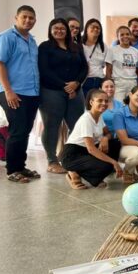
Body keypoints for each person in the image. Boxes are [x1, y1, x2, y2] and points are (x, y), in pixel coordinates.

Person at [0, 5, 42, 183]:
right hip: (14, 92)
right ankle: (12, 170)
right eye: (24, 17)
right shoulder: (6, 37)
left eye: (31, 18)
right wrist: (8, 91)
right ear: (16, 18)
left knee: (25, 131)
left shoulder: (32, 40)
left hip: (32, 92)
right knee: (17, 130)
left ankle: (21, 166)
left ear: (35, 20)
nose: (28, 20)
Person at [38, 18, 88, 175]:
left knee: (78, 126)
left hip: (76, 91)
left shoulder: (76, 46)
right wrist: (65, 86)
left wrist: (77, 83)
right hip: (51, 91)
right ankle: (52, 161)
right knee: (52, 126)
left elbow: (84, 67)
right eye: (56, 28)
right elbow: (44, 70)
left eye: (62, 28)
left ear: (67, 30)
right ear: (50, 30)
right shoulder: (45, 47)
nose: (59, 31)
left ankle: (70, 156)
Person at [61, 89, 122, 189]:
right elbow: (91, 149)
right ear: (91, 102)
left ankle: (93, 175)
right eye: (100, 100)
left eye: (106, 101)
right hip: (72, 155)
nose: (104, 103)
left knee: (115, 144)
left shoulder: (99, 116)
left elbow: (108, 133)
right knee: (108, 166)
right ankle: (73, 173)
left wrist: (105, 138)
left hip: (85, 151)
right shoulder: (86, 119)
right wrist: (114, 162)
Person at [105, 26, 138, 100]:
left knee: (131, 104)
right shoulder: (112, 50)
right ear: (118, 37)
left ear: (130, 35)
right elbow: (108, 70)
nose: (125, 36)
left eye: (127, 34)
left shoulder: (136, 52)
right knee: (118, 105)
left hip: (132, 83)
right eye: (122, 35)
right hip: (118, 84)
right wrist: (109, 85)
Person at [81, 18, 106, 96]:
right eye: (92, 27)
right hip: (83, 80)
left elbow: (104, 65)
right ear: (86, 29)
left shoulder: (103, 46)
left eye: (98, 28)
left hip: (98, 80)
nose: (95, 29)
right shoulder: (79, 44)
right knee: (83, 103)